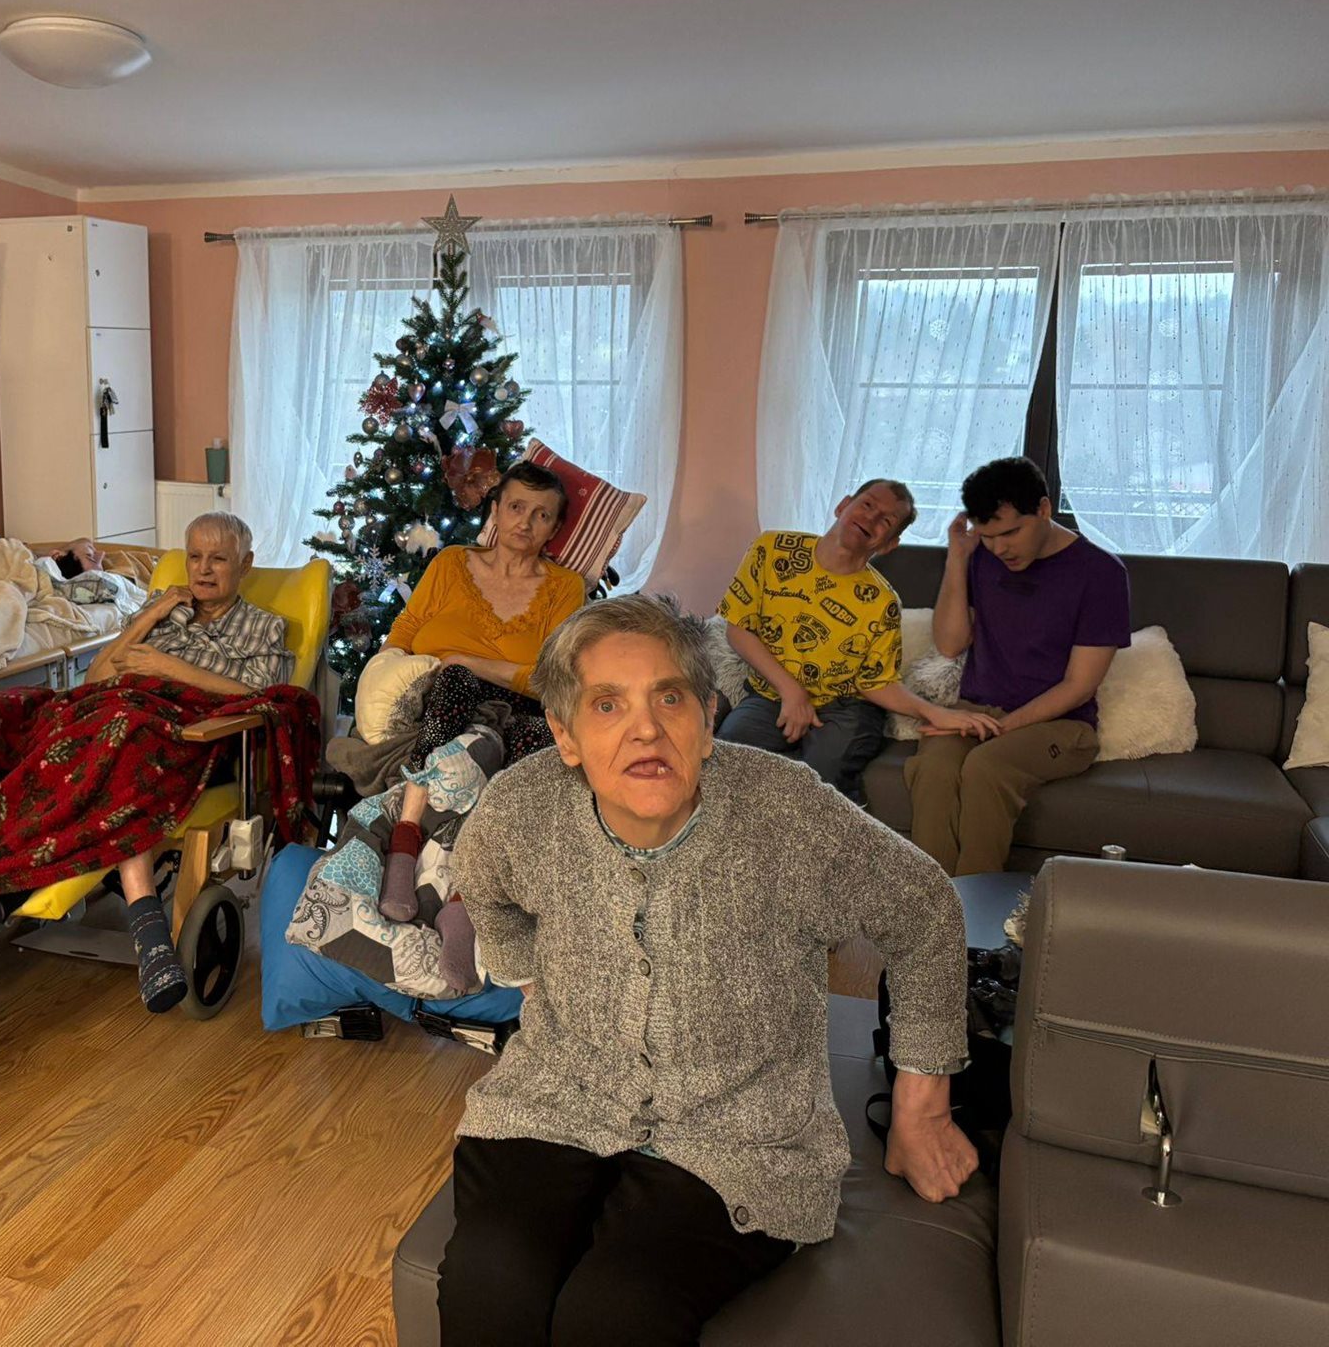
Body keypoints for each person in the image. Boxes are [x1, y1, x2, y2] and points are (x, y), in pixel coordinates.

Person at [439, 595, 976, 1346]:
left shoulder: (788, 814)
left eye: (670, 697)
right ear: (565, 735)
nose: (646, 729)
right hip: (559, 1098)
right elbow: (485, 890)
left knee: (615, 1313)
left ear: (710, 714)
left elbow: (924, 907)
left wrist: (924, 1108)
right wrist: (530, 981)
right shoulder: (520, 807)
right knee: (491, 1281)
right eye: (606, 705)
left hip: (740, 1133)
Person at [0, 511, 298, 1011]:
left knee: (119, 741)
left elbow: (265, 698)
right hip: (113, 722)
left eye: (218, 558)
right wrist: (151, 616)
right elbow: (97, 680)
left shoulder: (264, 626)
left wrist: (168, 667)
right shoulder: (164, 610)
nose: (202, 568)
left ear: (246, 564)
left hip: (192, 738)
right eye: (195, 556)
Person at [373, 462, 586, 930]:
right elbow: (405, 632)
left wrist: (467, 660)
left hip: (515, 711)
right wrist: (383, 684)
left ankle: (465, 896)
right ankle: (405, 842)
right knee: (455, 681)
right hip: (443, 702)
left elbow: (552, 679)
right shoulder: (451, 563)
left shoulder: (565, 588)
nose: (525, 522)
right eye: (516, 507)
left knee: (540, 740)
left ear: (554, 529)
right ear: (495, 511)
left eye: (541, 515)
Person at [906, 456, 1130, 876]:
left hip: (1062, 726)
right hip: (976, 711)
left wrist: (1002, 728)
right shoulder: (981, 556)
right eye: (988, 536)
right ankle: (928, 902)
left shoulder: (1101, 573)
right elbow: (950, 644)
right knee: (934, 769)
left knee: (987, 766)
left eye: (1011, 533)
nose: (1000, 548)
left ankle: (974, 907)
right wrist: (958, 558)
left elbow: (1078, 685)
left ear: (1044, 509)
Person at [716, 479, 998, 799]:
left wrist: (934, 712)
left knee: (822, 782)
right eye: (867, 505)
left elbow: (875, 682)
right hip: (771, 695)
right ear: (843, 506)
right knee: (727, 759)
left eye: (886, 521)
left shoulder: (882, 603)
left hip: (846, 707)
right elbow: (738, 629)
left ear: (889, 544)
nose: (871, 518)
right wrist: (791, 691)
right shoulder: (772, 549)